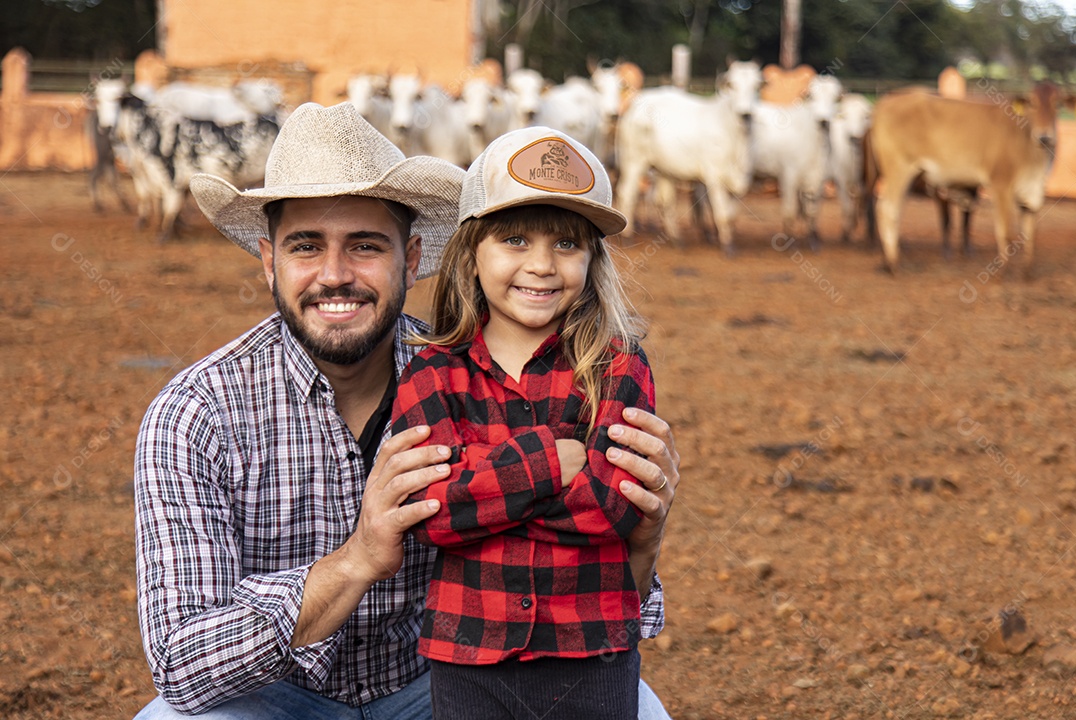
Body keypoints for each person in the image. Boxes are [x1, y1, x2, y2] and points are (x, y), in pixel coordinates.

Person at [133, 102, 679, 719]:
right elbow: (180, 662)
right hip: (277, 698)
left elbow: (627, 599)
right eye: (306, 246)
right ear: (268, 261)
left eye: (365, 246)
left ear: (412, 258)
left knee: (643, 711)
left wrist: (644, 543)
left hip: (442, 679)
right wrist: (357, 559)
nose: (335, 275)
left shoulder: (456, 370)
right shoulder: (195, 413)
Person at [391, 126, 658, 719]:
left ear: (592, 258)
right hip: (468, 655)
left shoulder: (616, 365)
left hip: (594, 653)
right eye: (514, 239)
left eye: (567, 245)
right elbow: (432, 514)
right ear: (471, 252)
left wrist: (482, 491)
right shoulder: (433, 372)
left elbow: (613, 506)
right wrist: (550, 463)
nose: (541, 266)